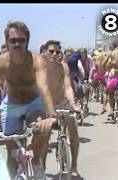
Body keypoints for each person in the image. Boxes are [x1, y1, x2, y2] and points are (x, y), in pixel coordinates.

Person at [0, 21, 57, 179]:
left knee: (43, 128)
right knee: (12, 157)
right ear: (6, 41)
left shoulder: (36, 60)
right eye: (13, 41)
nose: (17, 44)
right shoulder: (0, 62)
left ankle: (35, 162)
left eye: (21, 40)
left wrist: (52, 115)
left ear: (27, 41)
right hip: (12, 104)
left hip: (33, 103)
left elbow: (44, 88)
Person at [43, 40, 82, 178]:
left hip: (63, 102)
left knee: (73, 131)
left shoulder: (63, 67)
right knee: (44, 135)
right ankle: (41, 166)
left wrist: (73, 104)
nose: (54, 54)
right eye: (51, 51)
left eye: (57, 51)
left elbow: (67, 87)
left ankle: (74, 166)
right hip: (46, 105)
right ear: (44, 53)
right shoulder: (40, 68)